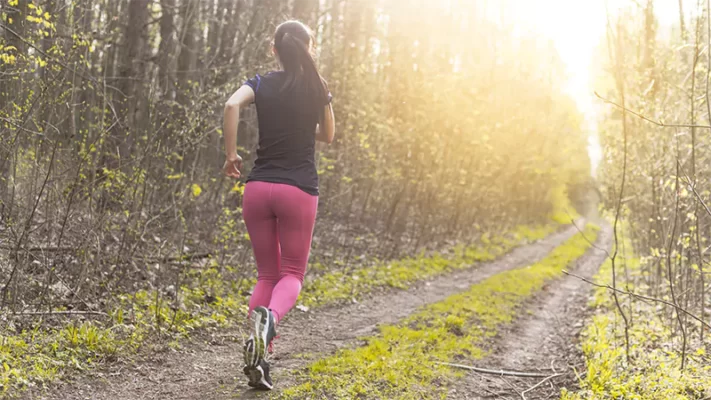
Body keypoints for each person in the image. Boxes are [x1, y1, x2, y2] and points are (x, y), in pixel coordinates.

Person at [222, 20, 335, 390]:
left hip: (257, 188)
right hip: (298, 190)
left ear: (275, 49)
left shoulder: (260, 83)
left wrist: (231, 155)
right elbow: (329, 136)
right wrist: (304, 127)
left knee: (266, 275)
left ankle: (260, 357)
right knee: (292, 274)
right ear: (309, 49)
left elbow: (230, 105)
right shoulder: (318, 88)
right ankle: (269, 321)